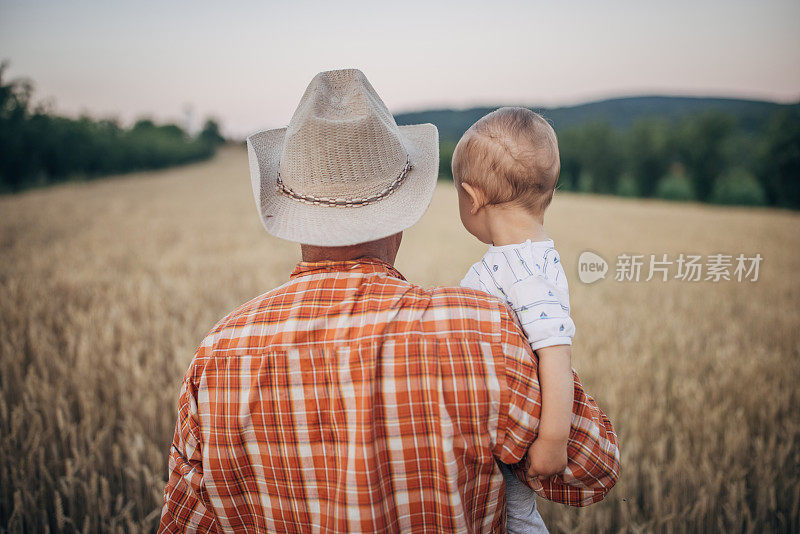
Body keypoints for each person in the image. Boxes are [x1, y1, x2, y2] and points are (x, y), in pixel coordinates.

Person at [158, 69, 620, 533]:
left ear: (293, 213)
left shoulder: (218, 356)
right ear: (403, 208)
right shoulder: (482, 332)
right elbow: (591, 473)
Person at [455, 107, 581, 532]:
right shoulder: (525, 257)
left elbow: (556, 355)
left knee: (516, 516)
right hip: (497, 419)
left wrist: (552, 440)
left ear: (472, 199)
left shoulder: (523, 272)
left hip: (515, 428)